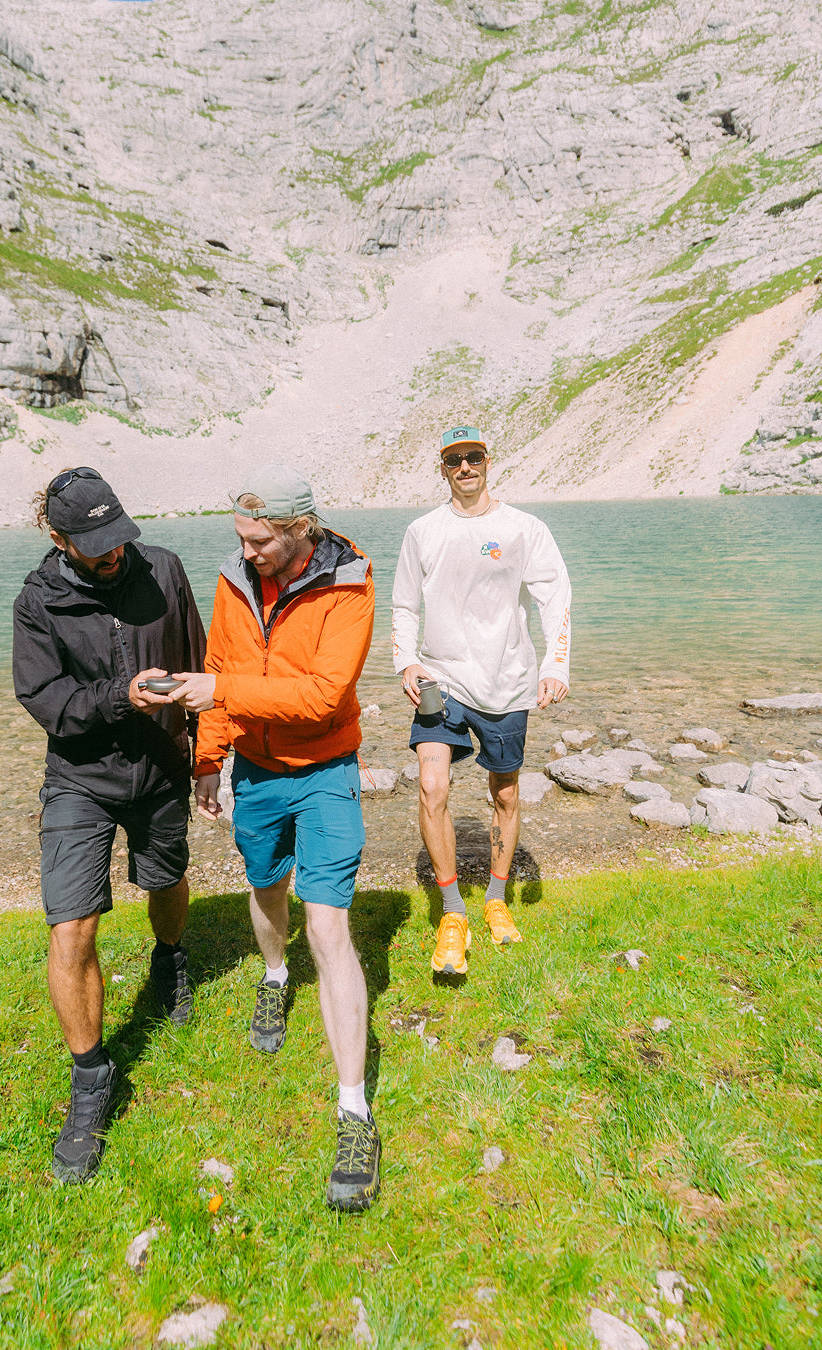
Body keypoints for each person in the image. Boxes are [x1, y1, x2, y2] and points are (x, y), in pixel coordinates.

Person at [168, 465, 380, 1213]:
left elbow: (323, 693)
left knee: (327, 925)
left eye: (260, 540)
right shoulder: (233, 579)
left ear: (301, 531)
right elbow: (221, 665)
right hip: (253, 772)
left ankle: (354, 1110)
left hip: (326, 770)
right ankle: (273, 979)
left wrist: (219, 694)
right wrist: (207, 760)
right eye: (240, 538)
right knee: (265, 890)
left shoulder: (349, 586)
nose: (247, 550)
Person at [12, 466, 206, 1183]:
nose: (113, 554)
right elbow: (46, 698)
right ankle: (91, 1078)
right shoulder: (38, 604)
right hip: (80, 780)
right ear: (57, 538)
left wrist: (206, 756)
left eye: (118, 536)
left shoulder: (163, 569)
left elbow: (197, 660)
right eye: (94, 544)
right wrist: (118, 697)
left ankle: (171, 958)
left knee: (168, 878)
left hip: (160, 765)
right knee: (72, 926)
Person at [392, 425, 571, 976]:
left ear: (488, 462)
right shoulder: (423, 531)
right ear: (442, 469)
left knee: (506, 795)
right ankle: (452, 910)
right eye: (454, 460)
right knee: (431, 785)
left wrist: (555, 665)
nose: (465, 467)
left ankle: (494, 896)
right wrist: (406, 662)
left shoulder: (522, 528)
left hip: (507, 680)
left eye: (473, 457)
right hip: (440, 679)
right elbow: (402, 606)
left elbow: (554, 594)